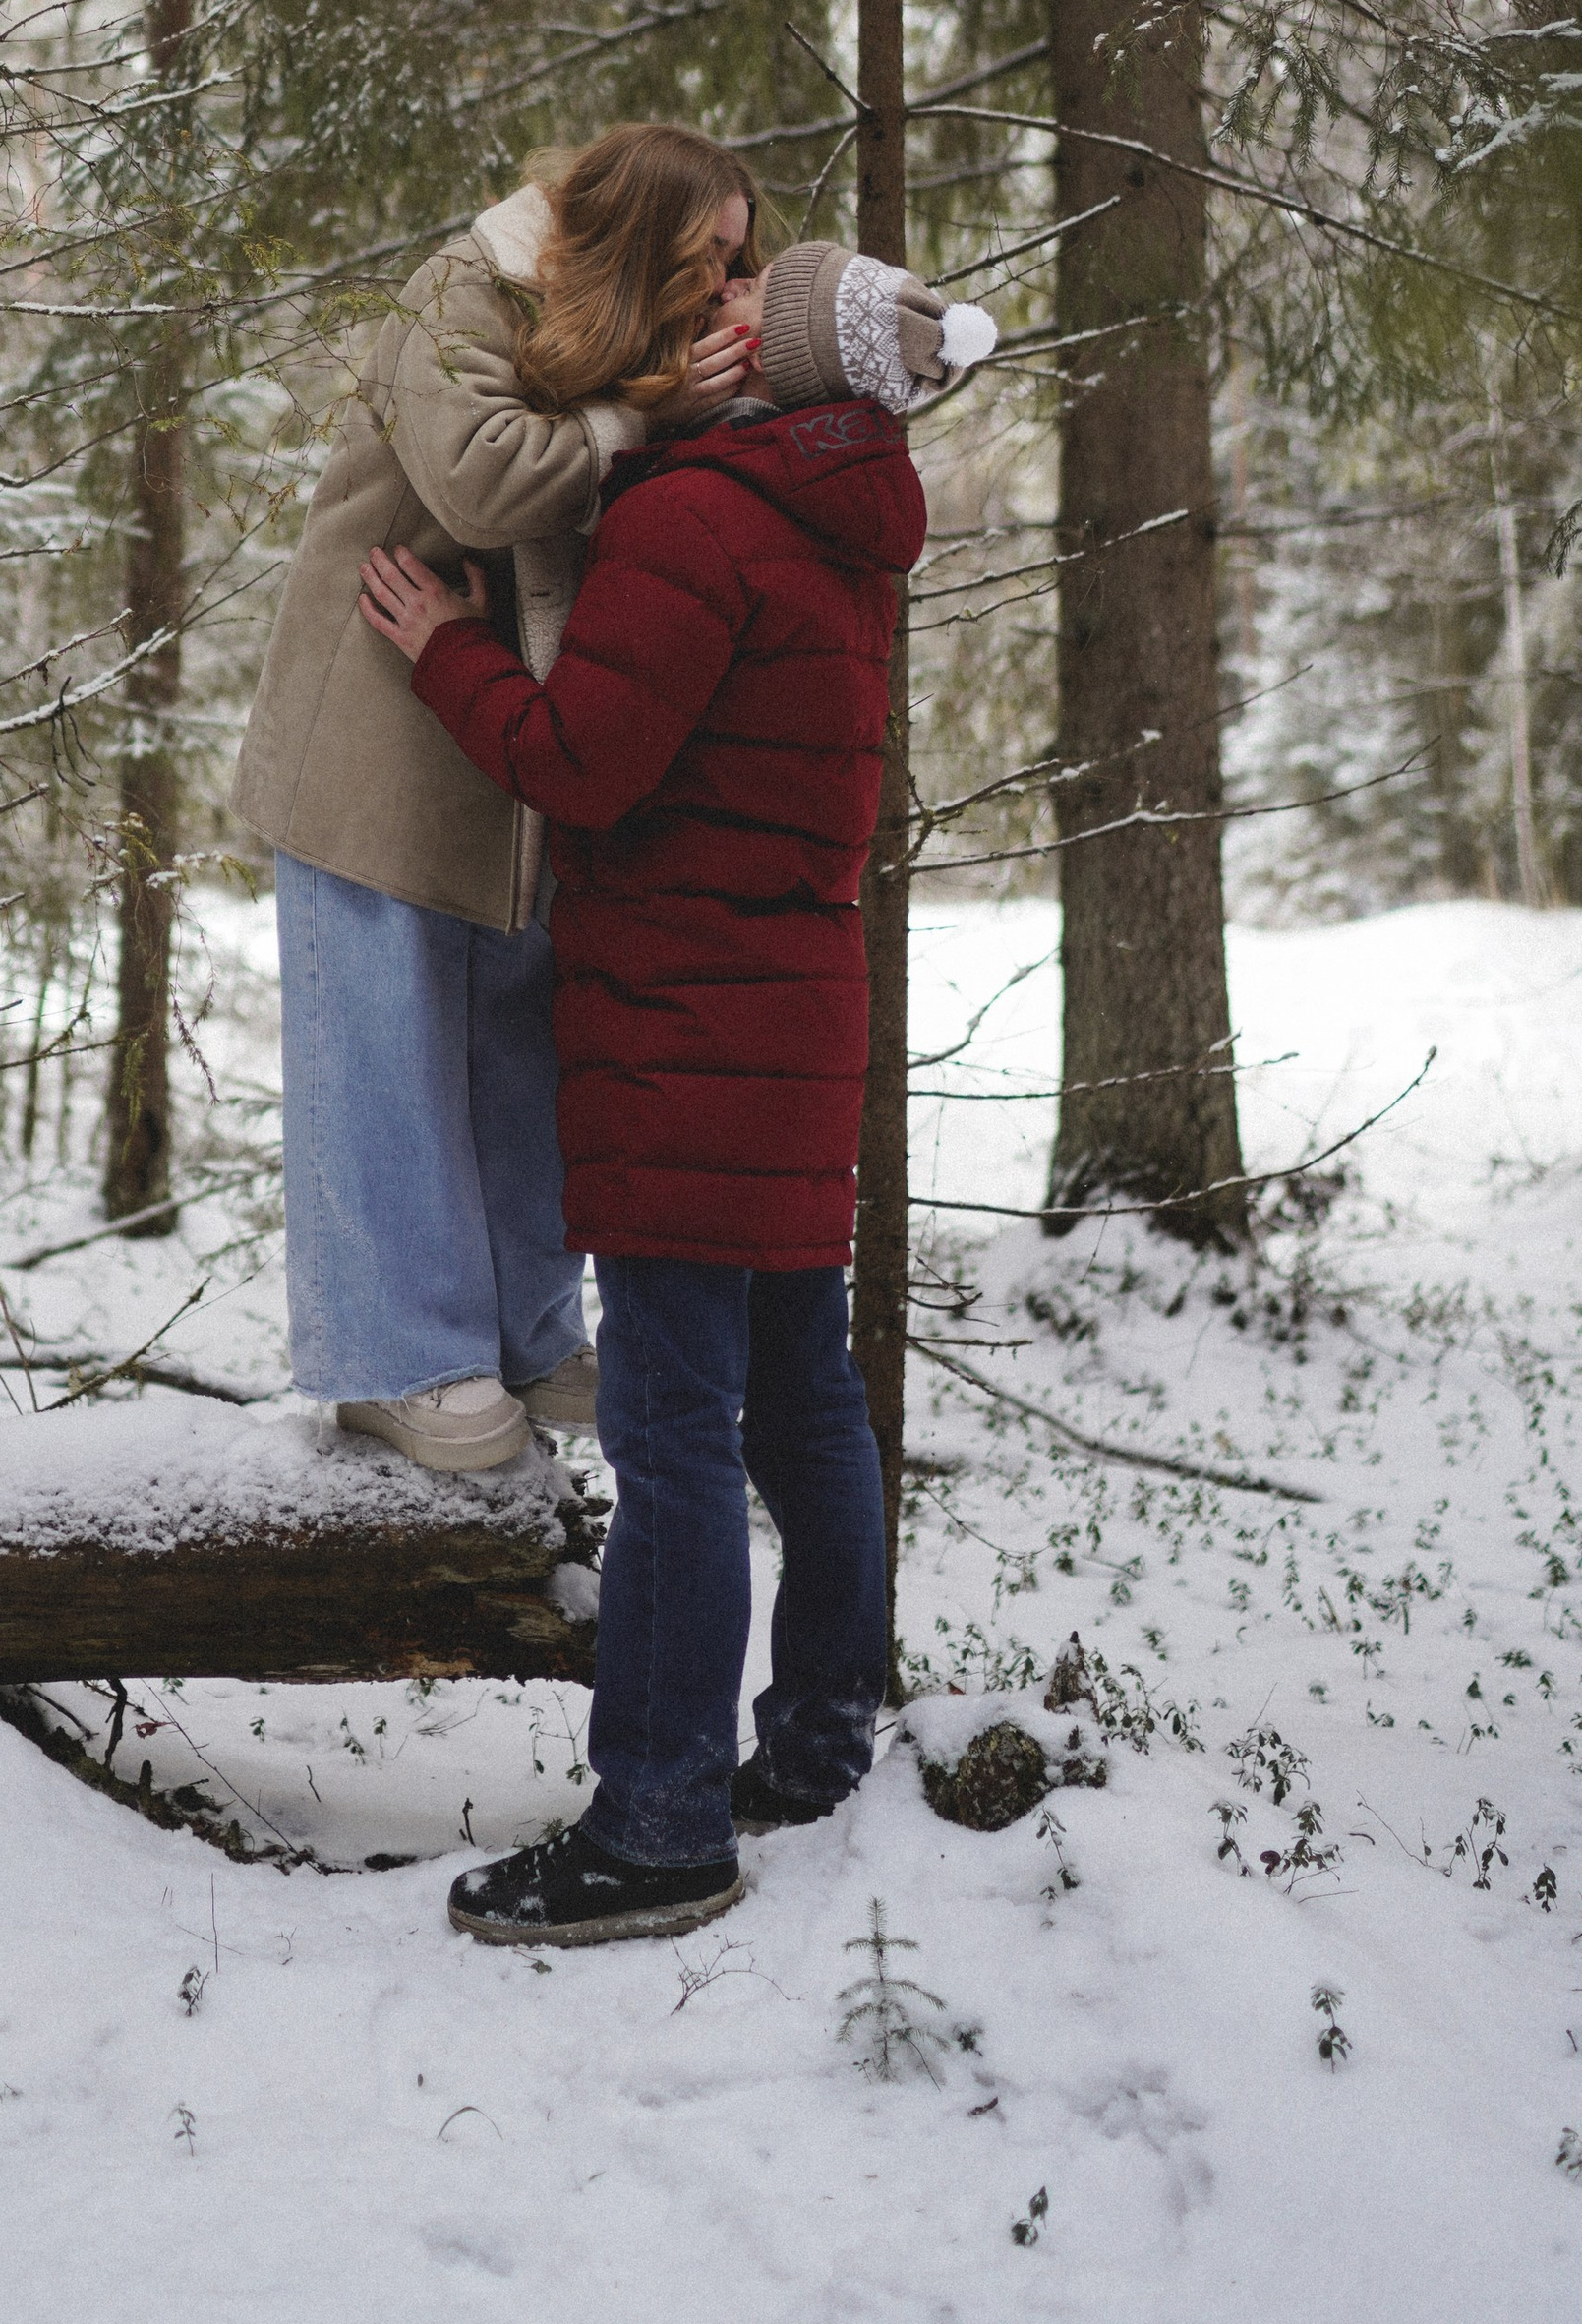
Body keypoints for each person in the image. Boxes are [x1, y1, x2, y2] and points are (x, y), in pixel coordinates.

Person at [357, 239, 996, 1947]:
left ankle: (657, 1827)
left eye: (739, 306)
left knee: (673, 1435)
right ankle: (821, 1746)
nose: (708, 316)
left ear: (783, 364)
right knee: (802, 1402)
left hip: (680, 1033)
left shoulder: (697, 517)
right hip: (794, 1025)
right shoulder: (844, 511)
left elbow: (580, 763)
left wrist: (448, 652)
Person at [231, 124, 770, 1471]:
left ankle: (527, 1337)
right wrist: (643, 421)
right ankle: (395, 1361)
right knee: (384, 1051)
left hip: (508, 751)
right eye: (712, 256)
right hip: (374, 743)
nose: (726, 285)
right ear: (641, 237)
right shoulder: (463, 289)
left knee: (521, 1058)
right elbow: (478, 479)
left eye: (741, 261)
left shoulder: (637, 342)